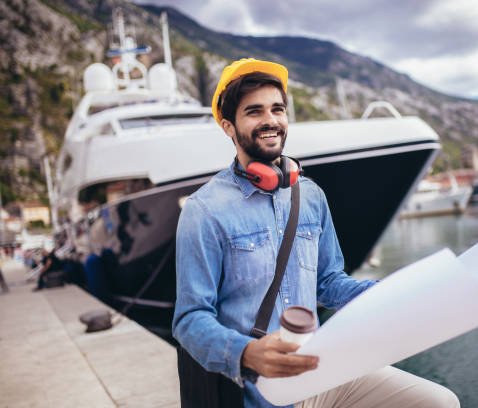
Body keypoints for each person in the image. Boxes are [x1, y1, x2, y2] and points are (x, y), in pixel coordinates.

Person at [172, 58, 460, 408]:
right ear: (228, 126)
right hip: (257, 392)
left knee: (438, 402)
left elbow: (328, 282)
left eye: (277, 109)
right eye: (254, 111)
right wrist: (247, 353)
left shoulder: (309, 195)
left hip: (321, 371)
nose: (270, 120)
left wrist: (393, 293)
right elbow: (189, 320)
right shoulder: (204, 211)